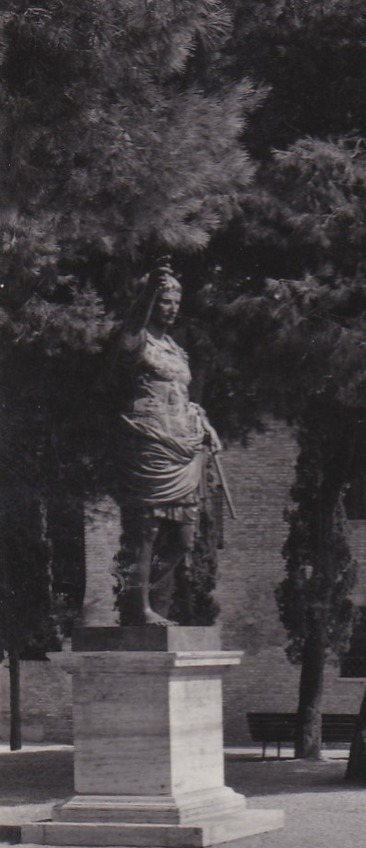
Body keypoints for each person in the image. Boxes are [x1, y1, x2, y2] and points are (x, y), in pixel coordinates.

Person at [116, 263, 223, 626]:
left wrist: (202, 421)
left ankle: (132, 593)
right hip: (149, 437)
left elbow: (183, 395)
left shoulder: (175, 348)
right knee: (147, 528)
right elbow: (131, 326)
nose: (172, 307)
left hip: (182, 441)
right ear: (150, 303)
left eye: (176, 300)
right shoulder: (136, 339)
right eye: (164, 300)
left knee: (185, 536)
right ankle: (140, 607)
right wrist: (148, 288)